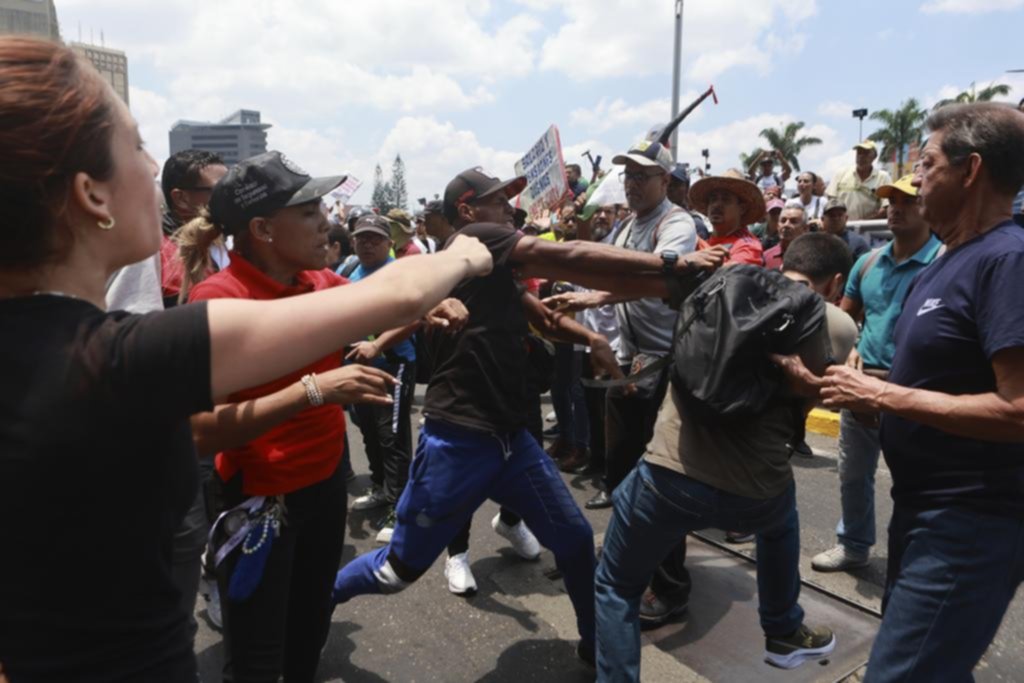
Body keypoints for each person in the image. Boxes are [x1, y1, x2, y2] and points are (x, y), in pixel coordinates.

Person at [0, 36, 493, 683]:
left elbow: (378, 304)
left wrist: (419, 311)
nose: (154, 167)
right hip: (258, 503)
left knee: (305, 627)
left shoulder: (62, 348)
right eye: (136, 145)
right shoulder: (121, 357)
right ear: (91, 194)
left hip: (315, 490)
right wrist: (477, 246)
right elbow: (396, 288)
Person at [331, 164, 727, 670]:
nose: (510, 211)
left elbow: (543, 319)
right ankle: (322, 601)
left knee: (575, 540)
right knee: (397, 571)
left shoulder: (491, 270)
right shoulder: (477, 238)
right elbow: (567, 254)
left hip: (512, 441)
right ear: (470, 211)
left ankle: (594, 642)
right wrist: (671, 260)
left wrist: (592, 339)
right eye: (499, 202)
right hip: (458, 442)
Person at [594, 231, 857, 682]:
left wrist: (585, 302)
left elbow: (640, 284)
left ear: (781, 262)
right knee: (781, 523)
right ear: (835, 282)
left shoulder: (719, 285)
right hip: (757, 490)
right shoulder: (837, 325)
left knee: (616, 585)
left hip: (669, 476)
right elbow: (811, 401)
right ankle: (782, 629)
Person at [821, 103, 1024, 682]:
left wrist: (886, 398)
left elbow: (1018, 410)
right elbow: (936, 384)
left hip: (970, 522)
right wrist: (859, 388)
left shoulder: (1007, 261)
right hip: (920, 512)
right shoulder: (948, 261)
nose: (915, 181)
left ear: (971, 170)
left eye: (927, 164)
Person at [812, 174, 942, 574]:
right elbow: (844, 318)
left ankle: (921, 560)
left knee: (917, 483)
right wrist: (850, 349)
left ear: (928, 207)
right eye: (890, 201)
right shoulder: (868, 262)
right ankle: (853, 544)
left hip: (914, 393)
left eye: (907, 201)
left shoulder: (945, 262)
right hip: (862, 383)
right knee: (852, 474)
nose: (896, 209)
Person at [585, 141, 698, 512]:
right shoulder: (628, 225)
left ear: (664, 180)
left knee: (660, 472)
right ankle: (622, 550)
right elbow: (610, 272)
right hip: (629, 358)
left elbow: (653, 276)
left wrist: (594, 297)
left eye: (641, 176)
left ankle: (664, 567)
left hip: (665, 362)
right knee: (620, 457)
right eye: (628, 175)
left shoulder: (677, 223)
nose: (631, 184)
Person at [160, 149, 229, 307]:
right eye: (220, 190)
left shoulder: (237, 239)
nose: (230, 196)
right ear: (181, 198)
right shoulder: (158, 254)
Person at [688, 168, 766, 266]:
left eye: (726, 199)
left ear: (742, 209)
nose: (716, 204)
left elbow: (729, 275)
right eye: (713, 199)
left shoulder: (749, 247)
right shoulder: (701, 241)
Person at [826, 142, 892, 220]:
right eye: (859, 153)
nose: (861, 156)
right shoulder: (841, 174)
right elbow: (831, 200)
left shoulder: (883, 177)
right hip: (842, 226)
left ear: (874, 157)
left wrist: (865, 222)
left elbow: (886, 206)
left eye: (866, 153)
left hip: (870, 228)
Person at [667, 163, 711, 240]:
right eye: (667, 183)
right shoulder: (652, 218)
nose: (670, 188)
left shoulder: (695, 225)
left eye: (676, 184)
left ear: (686, 188)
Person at [820, 198, 871, 264]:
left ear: (846, 218)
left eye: (840, 215)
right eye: (831, 215)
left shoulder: (858, 243)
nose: (836, 218)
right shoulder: (816, 242)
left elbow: (866, 268)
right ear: (822, 219)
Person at [763, 205, 809, 270]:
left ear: (805, 229)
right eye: (783, 221)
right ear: (778, 226)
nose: (786, 225)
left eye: (793, 221)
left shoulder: (812, 258)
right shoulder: (766, 256)